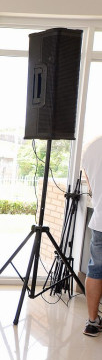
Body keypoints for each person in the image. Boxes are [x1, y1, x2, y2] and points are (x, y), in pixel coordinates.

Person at [81, 135, 102, 337]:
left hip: (100, 220)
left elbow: (92, 188)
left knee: (95, 270)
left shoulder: (91, 147)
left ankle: (92, 322)